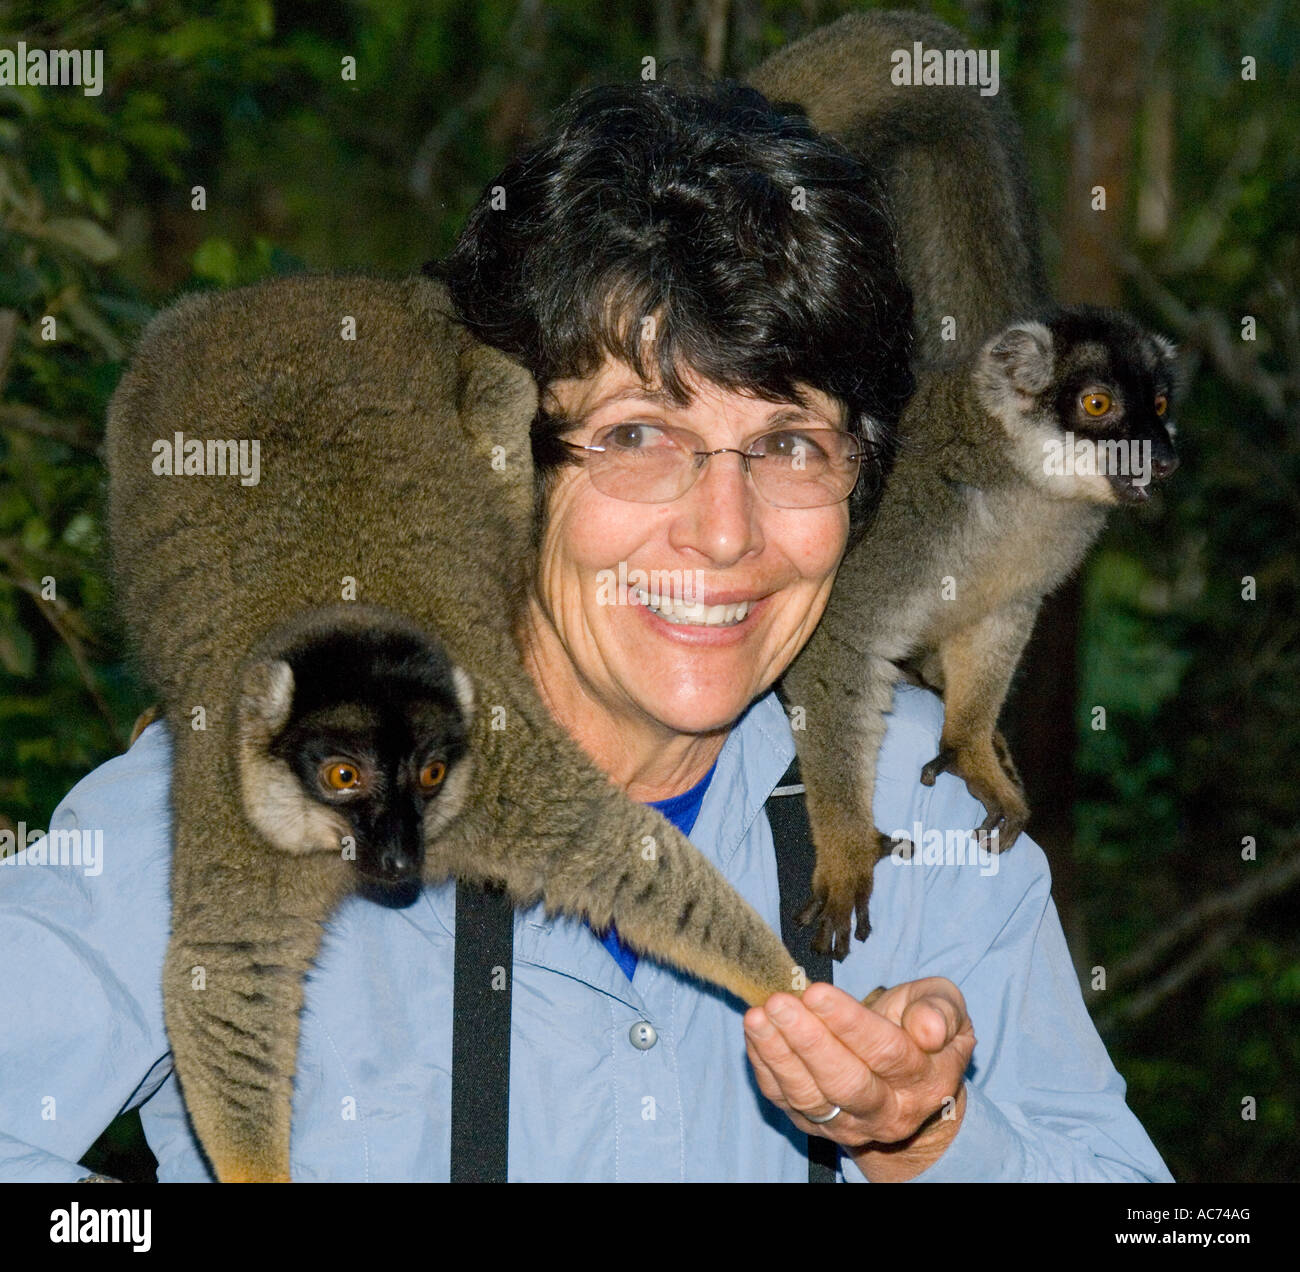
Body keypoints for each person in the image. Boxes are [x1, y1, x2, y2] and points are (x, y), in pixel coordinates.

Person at [0, 79, 1171, 1183]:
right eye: (634, 437)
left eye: (788, 446)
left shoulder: (926, 822)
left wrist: (930, 1144)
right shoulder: (260, 770)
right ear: (507, 457)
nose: (723, 534)